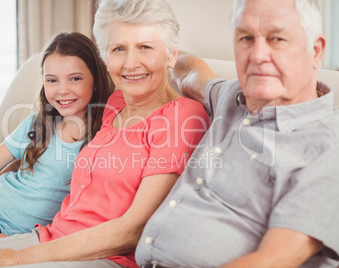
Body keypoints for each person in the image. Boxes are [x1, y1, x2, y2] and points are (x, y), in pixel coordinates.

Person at [0, 0, 209, 267]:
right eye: (118, 49)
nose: (130, 63)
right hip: (47, 238)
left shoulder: (182, 116)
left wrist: (17, 256)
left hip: (99, 253)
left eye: (145, 47)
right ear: (105, 58)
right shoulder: (113, 105)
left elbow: (133, 230)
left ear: (171, 53)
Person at [136, 0, 339, 267]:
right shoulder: (231, 95)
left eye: (276, 39)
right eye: (246, 38)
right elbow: (190, 72)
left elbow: (274, 260)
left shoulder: (327, 148)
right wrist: (154, 50)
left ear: (315, 51)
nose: (257, 55)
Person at [0, 31, 113, 250]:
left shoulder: (105, 140)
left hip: (0, 234)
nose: (62, 90)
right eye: (52, 80)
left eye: (75, 78)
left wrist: (21, 241)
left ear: (96, 81)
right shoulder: (37, 124)